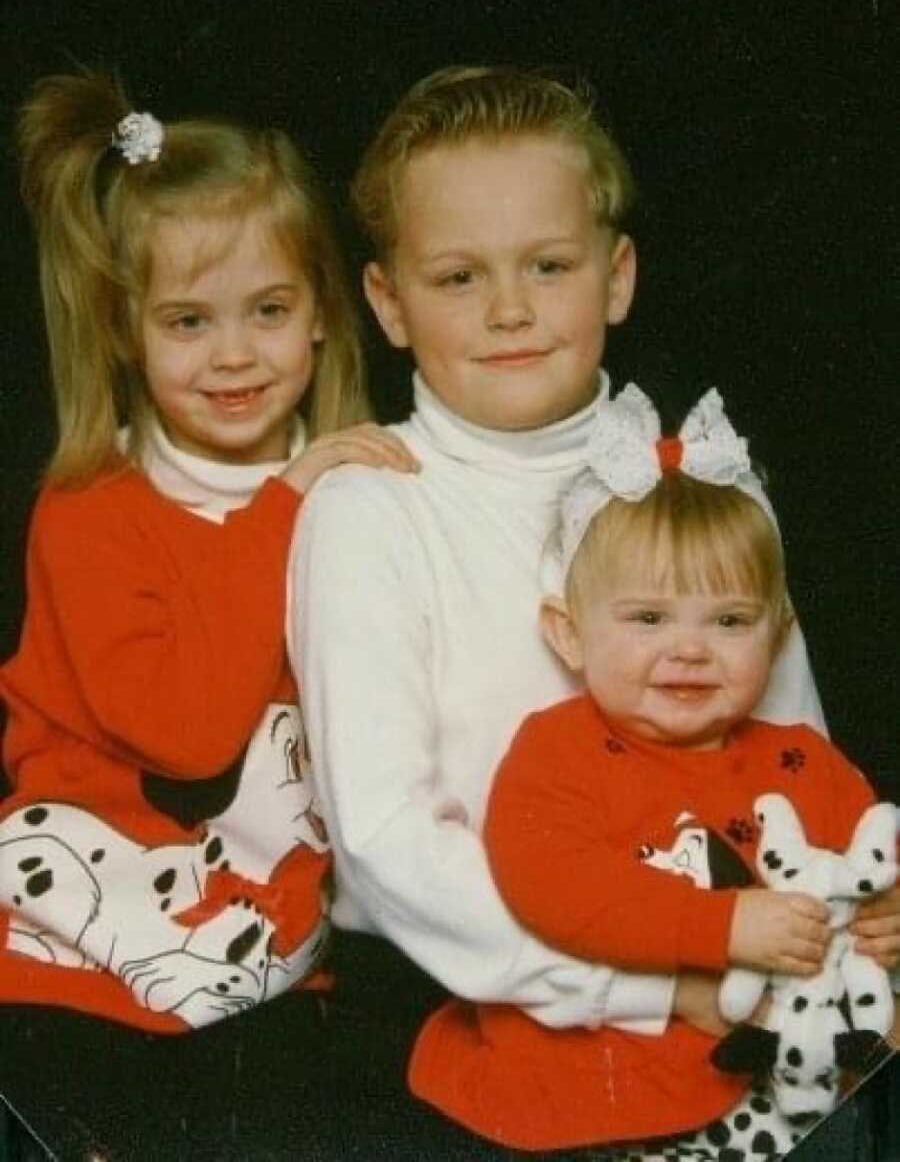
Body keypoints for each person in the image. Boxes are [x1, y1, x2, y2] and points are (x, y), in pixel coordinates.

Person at [290, 67, 900, 1148]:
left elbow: (790, 747)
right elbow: (392, 848)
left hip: (737, 961)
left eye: (550, 265)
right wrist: (659, 986)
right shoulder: (372, 509)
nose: (511, 309)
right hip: (482, 993)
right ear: (388, 303)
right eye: (459, 276)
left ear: (616, 276)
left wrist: (853, 901)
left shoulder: (703, 474)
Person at [0, 69, 417, 1035]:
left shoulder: (360, 488)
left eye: (268, 311)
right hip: (71, 941)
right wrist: (284, 505)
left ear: (321, 313)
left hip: (259, 947)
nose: (233, 355)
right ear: (125, 334)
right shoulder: (90, 509)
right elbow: (185, 732)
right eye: (189, 321)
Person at [408, 383, 899, 1157]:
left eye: (730, 621)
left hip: (771, 1094)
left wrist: (889, 914)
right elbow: (552, 887)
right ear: (568, 636)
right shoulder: (557, 750)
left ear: (776, 635)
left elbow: (871, 867)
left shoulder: (802, 761)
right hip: (587, 1090)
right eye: (647, 618)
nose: (690, 649)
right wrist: (724, 927)